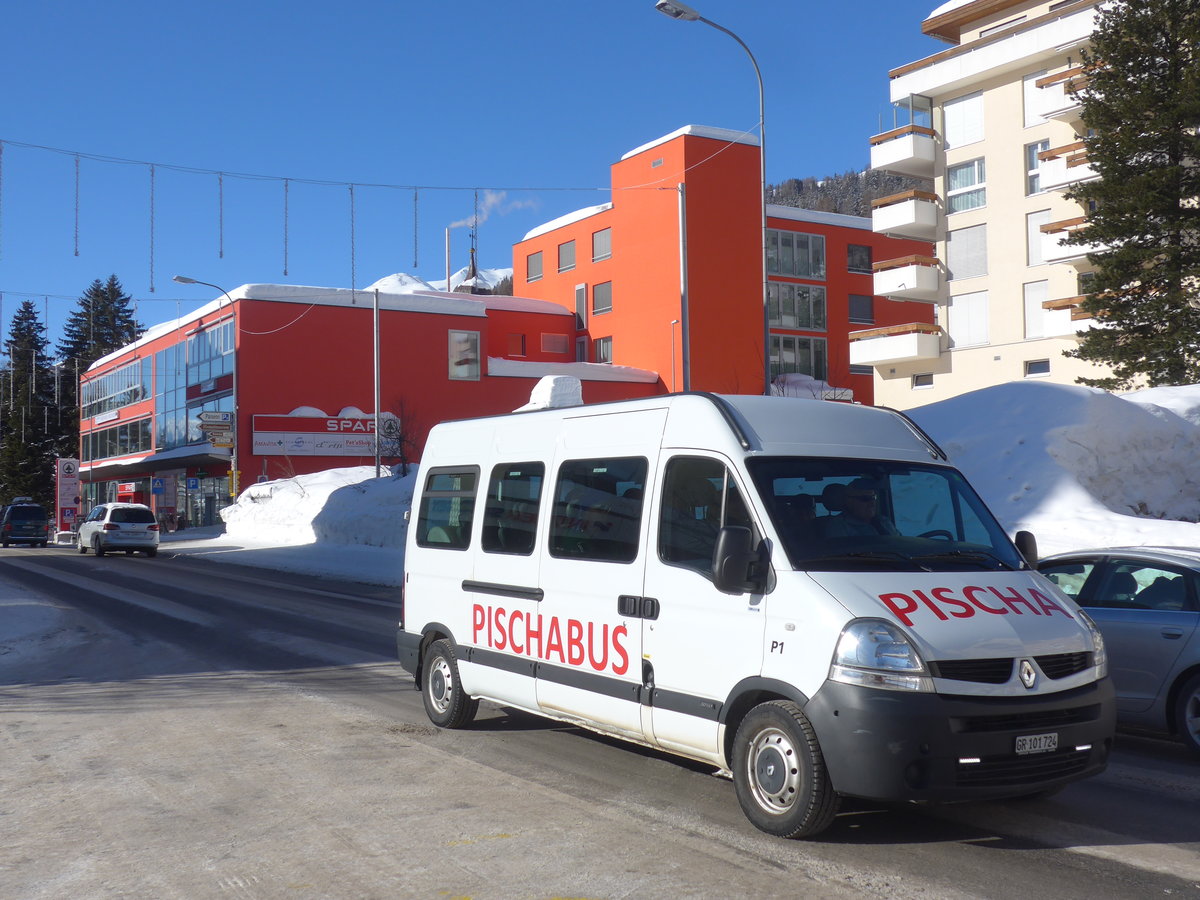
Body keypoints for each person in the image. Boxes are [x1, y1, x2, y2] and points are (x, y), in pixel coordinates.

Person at [822, 478, 899, 538]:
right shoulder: (838, 526)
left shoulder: (884, 522)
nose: (872, 503)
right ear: (849, 501)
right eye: (865, 499)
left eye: (873, 497)